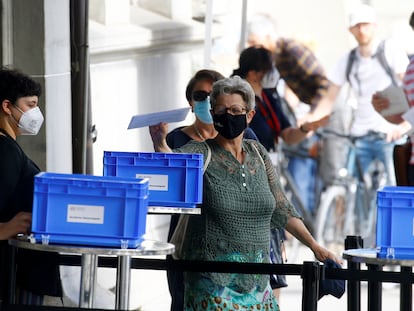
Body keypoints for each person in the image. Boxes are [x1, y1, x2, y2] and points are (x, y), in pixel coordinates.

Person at [149, 76, 340, 311]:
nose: (228, 115)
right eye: (221, 110)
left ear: (249, 115)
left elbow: (282, 208)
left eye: (235, 110)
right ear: (213, 113)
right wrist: (160, 145)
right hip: (212, 284)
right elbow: (173, 168)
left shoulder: (258, 153)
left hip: (258, 282)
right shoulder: (199, 153)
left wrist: (315, 247)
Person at [231, 46, 328, 299]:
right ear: (253, 72)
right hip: (245, 175)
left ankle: (274, 294)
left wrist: (307, 128)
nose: (272, 75)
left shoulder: (271, 97)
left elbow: (287, 135)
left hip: (269, 169)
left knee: (277, 236)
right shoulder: (236, 94)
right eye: (267, 70)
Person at [165, 69, 258, 311]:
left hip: (243, 244)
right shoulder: (179, 140)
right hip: (193, 239)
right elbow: (171, 175)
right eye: (200, 95)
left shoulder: (248, 140)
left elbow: (266, 193)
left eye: (212, 94)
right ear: (191, 101)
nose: (207, 100)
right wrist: (159, 143)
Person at [308, 4, 409, 189]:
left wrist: (404, 125)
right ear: (350, 29)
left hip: (388, 134)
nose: (362, 30)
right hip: (359, 134)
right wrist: (310, 122)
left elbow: (409, 89)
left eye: (366, 24)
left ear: (375, 26)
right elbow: (329, 98)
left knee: (393, 191)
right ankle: (347, 217)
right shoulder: (348, 59)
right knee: (350, 189)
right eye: (357, 25)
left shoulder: (390, 50)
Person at [246, 13, 330, 215]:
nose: (252, 48)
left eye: (255, 43)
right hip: (254, 169)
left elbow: (325, 85)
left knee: (312, 177)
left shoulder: (288, 52)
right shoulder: (249, 92)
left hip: (319, 112)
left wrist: (310, 119)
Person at [0, 67, 62, 304]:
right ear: (7, 106)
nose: (36, 113)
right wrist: (4, 229)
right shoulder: (5, 150)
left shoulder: (9, 147)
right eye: (30, 104)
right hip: (15, 274)